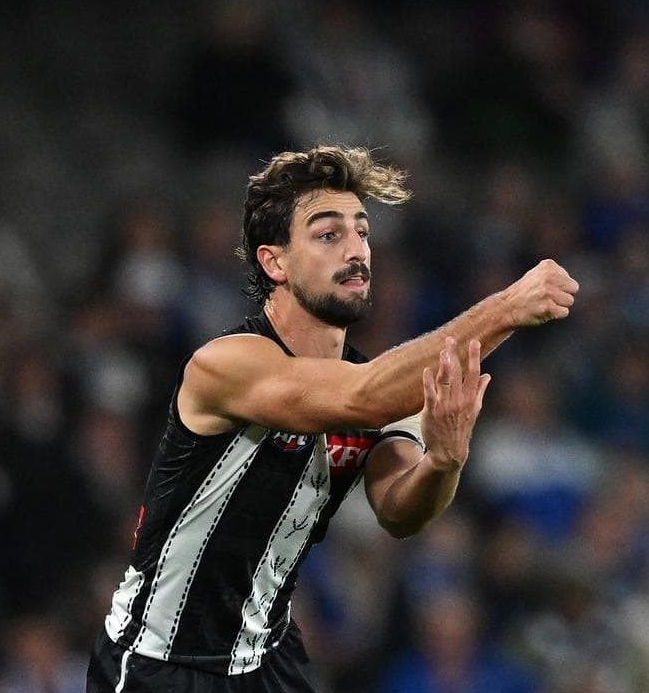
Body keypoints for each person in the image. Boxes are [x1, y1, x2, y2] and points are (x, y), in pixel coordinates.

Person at [86, 145, 579, 692]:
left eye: (362, 232)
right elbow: (360, 399)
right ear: (274, 261)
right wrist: (505, 309)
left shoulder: (375, 382)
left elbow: (400, 511)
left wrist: (444, 459)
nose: (356, 250)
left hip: (267, 658)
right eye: (328, 235)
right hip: (163, 663)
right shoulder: (226, 364)